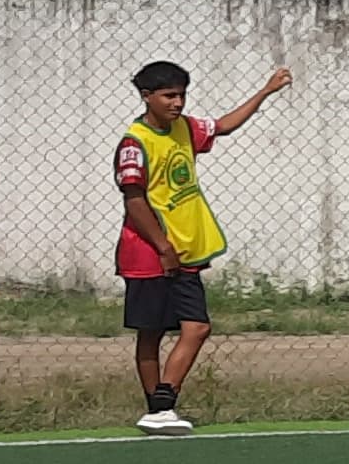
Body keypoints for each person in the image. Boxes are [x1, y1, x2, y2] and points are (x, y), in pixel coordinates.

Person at [113, 59, 290, 434]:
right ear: (147, 96)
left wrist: (265, 91)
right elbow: (135, 200)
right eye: (168, 96)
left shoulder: (185, 128)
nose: (177, 103)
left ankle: (164, 404)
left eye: (181, 95)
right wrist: (162, 246)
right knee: (151, 331)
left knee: (197, 327)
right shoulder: (135, 143)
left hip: (185, 251)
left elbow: (223, 125)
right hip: (148, 253)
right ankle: (157, 409)